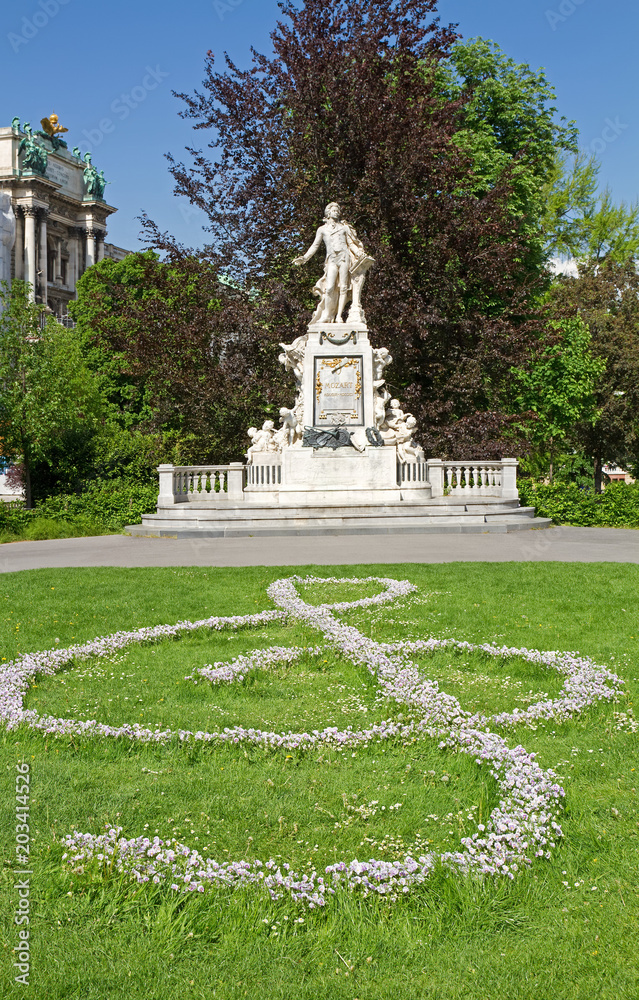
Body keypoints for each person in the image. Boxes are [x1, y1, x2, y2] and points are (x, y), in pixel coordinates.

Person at [293, 203, 373, 324]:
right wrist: (304, 258)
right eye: (334, 210)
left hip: (344, 258)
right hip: (331, 259)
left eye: (337, 210)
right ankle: (328, 315)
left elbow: (351, 244)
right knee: (330, 288)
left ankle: (339, 316)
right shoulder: (322, 229)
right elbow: (315, 246)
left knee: (344, 287)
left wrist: (359, 253)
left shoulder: (344, 228)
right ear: (328, 213)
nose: (336, 212)